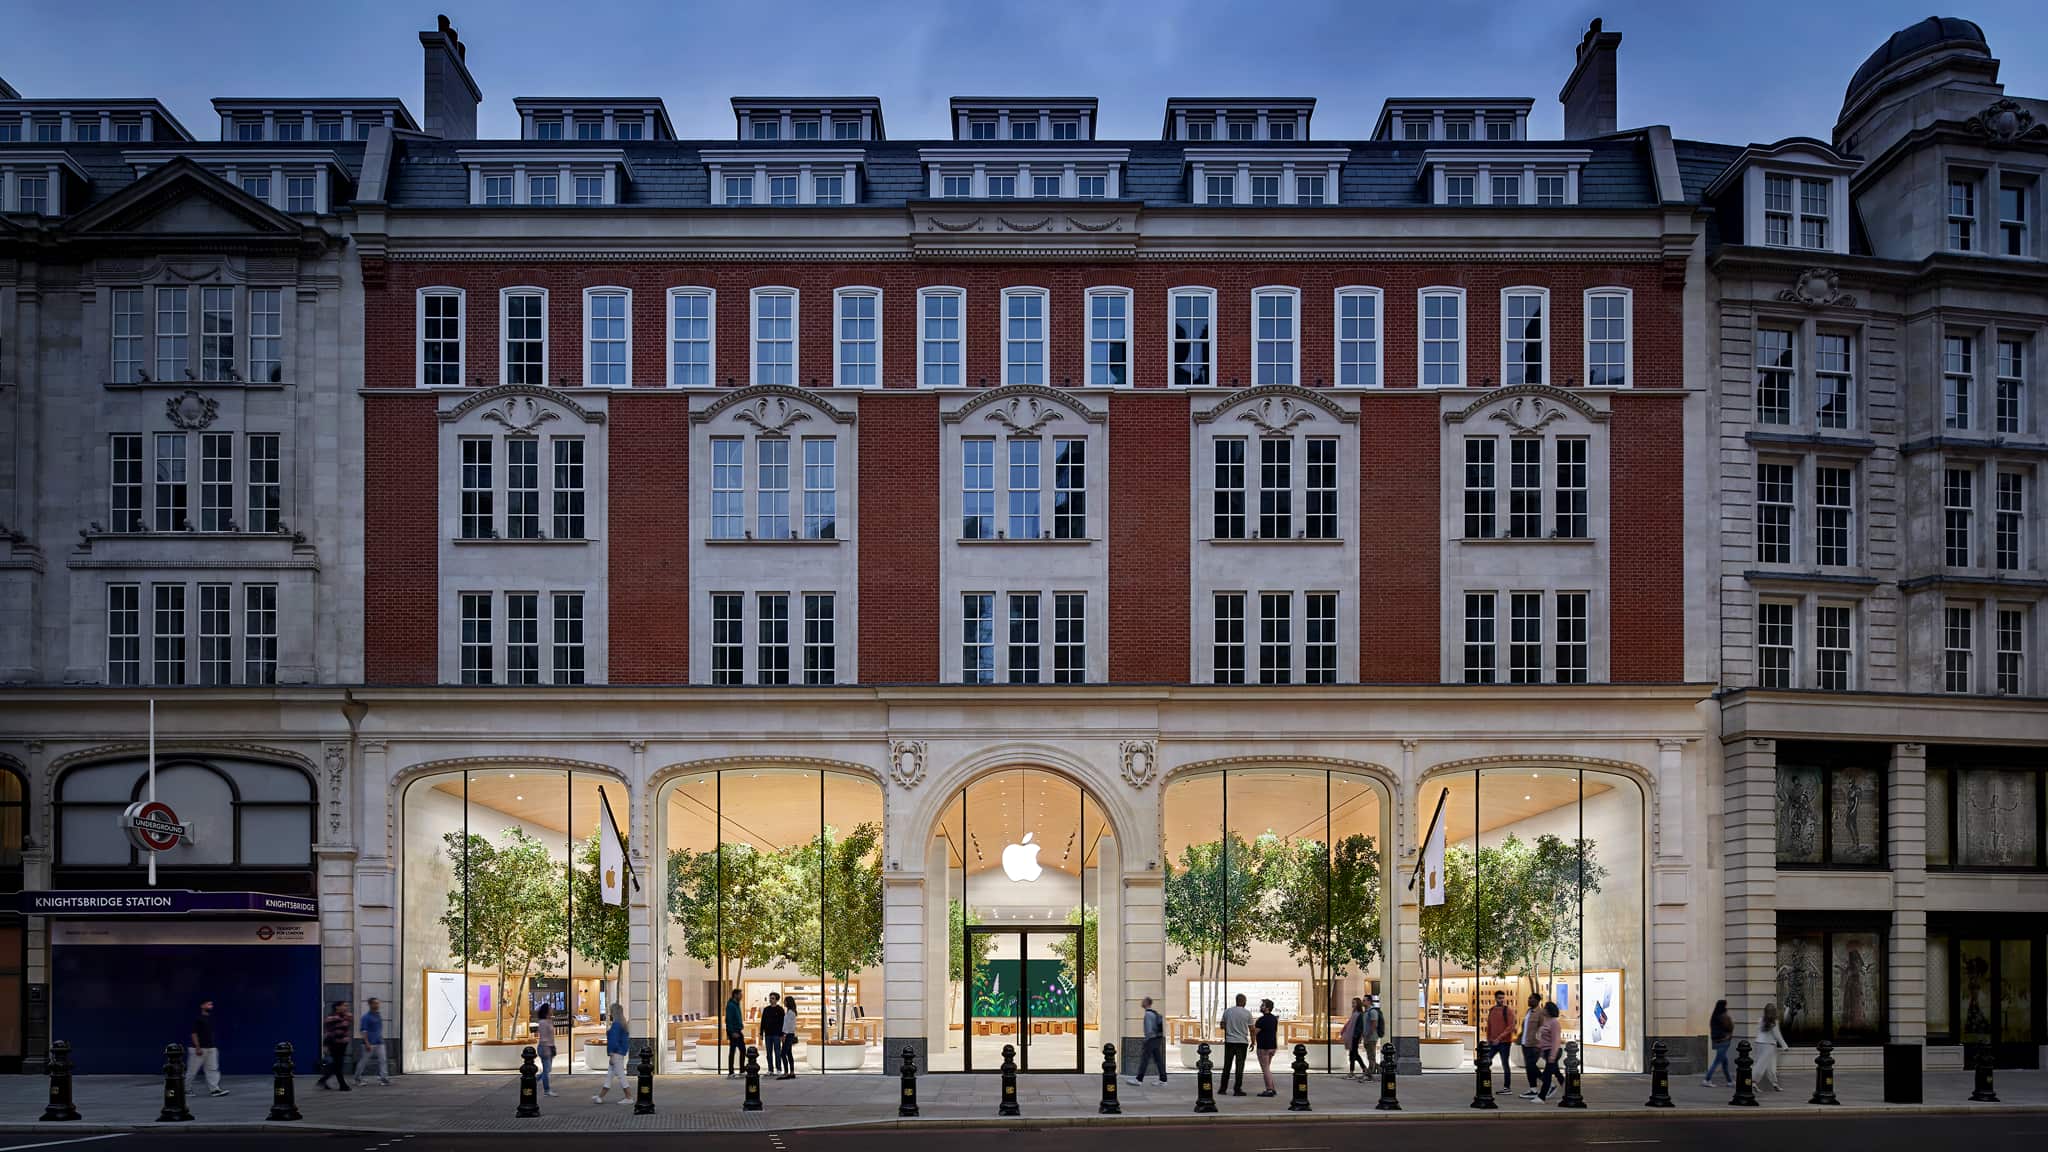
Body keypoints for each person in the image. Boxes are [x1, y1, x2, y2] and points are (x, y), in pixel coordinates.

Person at [187, 999, 227, 1097]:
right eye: (208, 1004)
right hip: (199, 1049)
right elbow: (194, 1033)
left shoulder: (211, 1019)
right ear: (202, 1005)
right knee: (192, 1071)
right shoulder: (198, 1019)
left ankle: (215, 1090)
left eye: (211, 1004)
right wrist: (197, 1047)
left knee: (213, 1069)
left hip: (211, 1048)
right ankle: (185, 1089)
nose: (211, 1006)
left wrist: (214, 1047)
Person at [593, 1006, 631, 1104]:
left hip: (616, 1053)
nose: (610, 1013)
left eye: (611, 1011)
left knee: (620, 1075)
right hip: (620, 1052)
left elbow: (613, 1041)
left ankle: (628, 1097)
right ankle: (600, 1096)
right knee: (610, 1075)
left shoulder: (616, 1025)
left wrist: (611, 1054)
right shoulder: (623, 1024)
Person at [1219, 993, 1252, 1096]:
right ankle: (1237, 1089)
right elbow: (1252, 1029)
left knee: (1227, 1066)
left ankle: (1223, 1089)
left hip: (1229, 1041)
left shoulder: (1228, 1011)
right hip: (1242, 1042)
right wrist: (1254, 1041)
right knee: (1240, 1066)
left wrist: (1230, 1027)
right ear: (1244, 1002)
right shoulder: (1247, 1013)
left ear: (1236, 1000)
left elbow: (1222, 1025)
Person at [316, 1001, 353, 1091]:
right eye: (344, 1006)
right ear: (337, 1007)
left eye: (346, 1006)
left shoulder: (344, 1017)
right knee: (338, 1065)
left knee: (336, 1065)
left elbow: (345, 1027)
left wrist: (348, 1018)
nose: (346, 1007)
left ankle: (323, 1080)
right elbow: (329, 1033)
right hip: (335, 1044)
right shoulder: (332, 1018)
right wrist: (325, 1045)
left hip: (342, 1045)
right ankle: (343, 1085)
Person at [1130, 996, 1167, 1085]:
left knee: (1144, 1059)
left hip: (1151, 1040)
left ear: (1146, 1003)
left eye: (1143, 1001)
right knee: (1158, 1060)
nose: (1141, 1002)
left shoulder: (1148, 1015)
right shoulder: (1154, 1013)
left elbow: (1148, 1030)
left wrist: (1146, 1040)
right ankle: (1163, 1080)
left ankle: (1139, 1079)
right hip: (1157, 1039)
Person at [354, 997, 390, 1086]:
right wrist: (367, 1043)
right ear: (370, 1004)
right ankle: (357, 1078)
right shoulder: (366, 1017)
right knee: (364, 1061)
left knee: (383, 1060)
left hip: (379, 1042)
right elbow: (363, 1031)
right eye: (375, 1003)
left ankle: (384, 1078)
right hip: (369, 1043)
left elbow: (378, 1029)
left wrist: (381, 1037)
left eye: (378, 1003)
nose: (377, 1005)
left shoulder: (378, 1015)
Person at [1484, 990, 1517, 1086]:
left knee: (1505, 1064)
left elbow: (1510, 1026)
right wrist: (1488, 1039)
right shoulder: (1492, 1010)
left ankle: (1507, 1087)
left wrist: (1499, 1038)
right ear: (1495, 998)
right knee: (1486, 1062)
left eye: (1503, 998)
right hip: (1492, 1042)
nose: (1501, 1000)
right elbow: (1489, 1025)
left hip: (1504, 1042)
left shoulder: (1508, 1010)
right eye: (1499, 998)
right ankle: (1486, 1084)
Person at [1517, 992, 1545, 1099]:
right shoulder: (1529, 1011)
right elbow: (1526, 1028)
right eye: (1528, 998)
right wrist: (1519, 1037)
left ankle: (1547, 1084)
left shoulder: (1540, 1013)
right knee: (1529, 1068)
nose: (1528, 1000)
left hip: (1534, 1045)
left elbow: (1542, 1029)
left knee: (1531, 1066)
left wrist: (1539, 1044)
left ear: (1537, 1001)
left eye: (1531, 999)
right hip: (1525, 1043)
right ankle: (1533, 1089)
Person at [1534, 1000, 1563, 1102]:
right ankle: (1569, 1091)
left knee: (1547, 1075)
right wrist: (1541, 1050)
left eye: (1545, 1008)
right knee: (1557, 1073)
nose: (1543, 1009)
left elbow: (1556, 1040)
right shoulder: (1546, 1021)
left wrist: (1552, 1055)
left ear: (1549, 1010)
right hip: (1547, 1051)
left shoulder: (1554, 1022)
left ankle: (1541, 1097)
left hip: (1553, 1051)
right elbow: (1543, 1038)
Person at [1754, 1002, 1787, 1091]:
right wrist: (1784, 1046)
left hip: (1759, 1043)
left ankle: (1774, 1083)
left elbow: (1758, 1032)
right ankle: (1753, 1082)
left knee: (1764, 1064)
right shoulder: (1774, 1022)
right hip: (1769, 1045)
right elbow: (1777, 1035)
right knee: (1764, 1065)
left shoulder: (1761, 1020)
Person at [1703, 999, 1734, 1086]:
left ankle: (1729, 1081)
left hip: (1716, 1041)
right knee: (1717, 1061)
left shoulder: (1714, 1016)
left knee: (1724, 1062)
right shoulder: (1723, 1016)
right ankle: (1707, 1079)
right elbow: (1730, 1027)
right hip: (1724, 1041)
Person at [1253, 999, 1280, 1097]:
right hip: (1272, 1046)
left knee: (1265, 1069)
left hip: (1263, 1047)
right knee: (1267, 1068)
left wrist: (1252, 1041)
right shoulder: (1274, 1019)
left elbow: (1254, 1032)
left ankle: (1269, 1089)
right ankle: (1272, 1088)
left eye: (1263, 1005)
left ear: (1267, 1008)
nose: (1261, 1007)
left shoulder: (1261, 1020)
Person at [533, 1003, 559, 1096]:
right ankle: (546, 1090)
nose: (552, 1009)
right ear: (546, 1010)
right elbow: (543, 1038)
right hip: (545, 1048)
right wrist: (547, 1049)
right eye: (550, 1008)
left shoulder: (549, 1020)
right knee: (546, 1070)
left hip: (550, 1047)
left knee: (547, 1070)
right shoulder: (543, 1022)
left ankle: (534, 1080)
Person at [1340, 997, 1367, 1081]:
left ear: (1358, 1004)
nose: (1352, 1004)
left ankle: (1352, 1072)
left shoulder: (1359, 1014)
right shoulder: (1354, 1013)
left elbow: (1359, 1027)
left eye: (1354, 1003)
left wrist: (1357, 1036)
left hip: (1354, 1037)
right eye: (1352, 1002)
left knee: (1353, 1054)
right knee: (1354, 1054)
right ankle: (1363, 1069)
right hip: (1352, 1037)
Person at [759, 993, 785, 1077]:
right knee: (768, 1053)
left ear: (776, 1000)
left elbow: (782, 1023)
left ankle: (778, 1069)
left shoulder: (780, 1009)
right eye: (770, 998)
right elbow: (762, 1022)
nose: (771, 1000)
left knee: (778, 1052)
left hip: (777, 1034)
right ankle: (770, 1069)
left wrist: (782, 1034)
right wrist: (761, 1033)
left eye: (772, 998)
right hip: (768, 1034)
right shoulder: (766, 1009)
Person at [724, 988, 745, 1078]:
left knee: (742, 1050)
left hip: (738, 1031)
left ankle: (741, 1070)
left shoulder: (737, 1004)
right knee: (733, 1051)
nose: (741, 996)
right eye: (740, 994)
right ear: (735, 995)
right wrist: (732, 1032)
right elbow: (728, 1020)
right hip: (734, 1032)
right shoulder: (731, 1005)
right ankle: (731, 1072)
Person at [777, 995, 799, 1079]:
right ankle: (791, 1072)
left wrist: (784, 1035)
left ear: (788, 1002)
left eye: (785, 1001)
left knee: (783, 1054)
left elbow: (788, 1025)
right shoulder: (790, 1012)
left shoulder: (790, 1013)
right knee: (789, 1053)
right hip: (789, 1034)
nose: (784, 1002)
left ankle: (786, 1072)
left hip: (788, 1035)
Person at [1362, 994, 1383, 1074]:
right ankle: (1377, 1068)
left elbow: (1374, 1024)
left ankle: (1370, 1072)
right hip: (1367, 1037)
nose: (1363, 1002)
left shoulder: (1372, 1011)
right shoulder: (1366, 1012)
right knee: (1369, 1055)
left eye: (1364, 1000)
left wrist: (1368, 1035)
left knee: (1371, 1055)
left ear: (1369, 1001)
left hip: (1371, 1037)